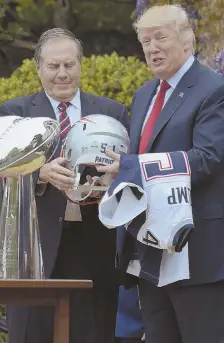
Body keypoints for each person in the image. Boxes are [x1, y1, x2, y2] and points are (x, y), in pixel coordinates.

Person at [96, 4, 224, 343]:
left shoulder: (214, 89)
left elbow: (206, 159)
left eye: (160, 38)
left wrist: (131, 168)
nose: (152, 48)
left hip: (196, 252)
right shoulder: (144, 95)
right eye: (145, 41)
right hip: (149, 251)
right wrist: (116, 177)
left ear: (188, 40)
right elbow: (138, 163)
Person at [0, 28, 129, 343]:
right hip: (34, 248)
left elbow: (129, 175)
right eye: (54, 66)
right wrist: (39, 173)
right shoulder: (16, 114)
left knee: (93, 333)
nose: (62, 74)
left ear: (81, 65)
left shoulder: (111, 112)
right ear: (38, 67)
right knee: (32, 334)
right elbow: (0, 171)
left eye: (70, 65)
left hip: (95, 244)